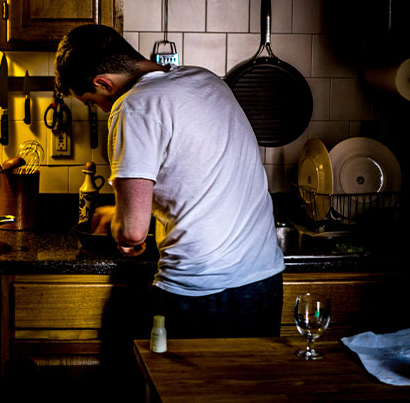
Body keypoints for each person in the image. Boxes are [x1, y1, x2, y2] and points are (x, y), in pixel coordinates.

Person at [54, 24, 285, 338]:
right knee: (246, 385)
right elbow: (194, 179)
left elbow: (132, 232)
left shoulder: (132, 107)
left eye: (92, 101)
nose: (100, 108)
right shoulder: (204, 79)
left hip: (200, 290)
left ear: (103, 83)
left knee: (177, 386)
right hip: (263, 280)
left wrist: (116, 224)